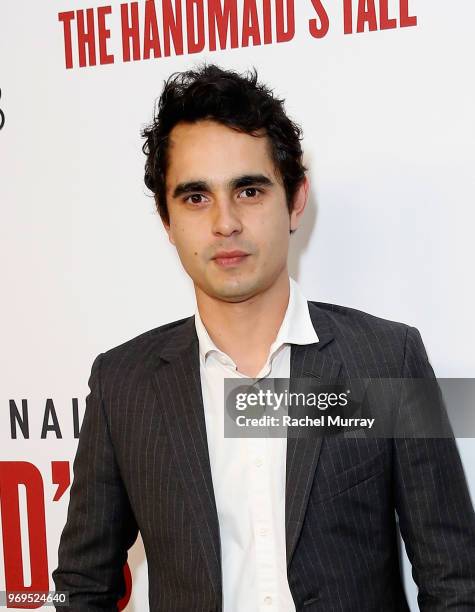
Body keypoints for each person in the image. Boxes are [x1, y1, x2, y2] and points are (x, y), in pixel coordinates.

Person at [53, 64, 475, 611]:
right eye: (195, 197)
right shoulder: (123, 385)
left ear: (295, 200)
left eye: (248, 190)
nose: (225, 222)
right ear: (166, 218)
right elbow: (81, 589)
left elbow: (456, 583)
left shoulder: (384, 359)